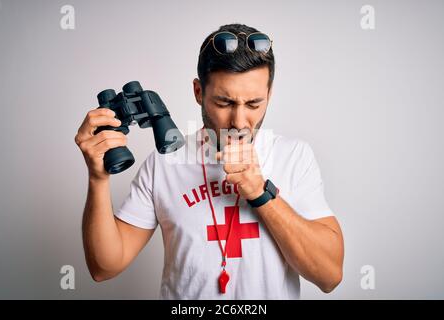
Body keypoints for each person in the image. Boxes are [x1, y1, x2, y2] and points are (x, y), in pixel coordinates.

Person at [74, 23, 344, 299]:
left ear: (269, 94)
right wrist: (97, 178)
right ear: (198, 92)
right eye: (225, 102)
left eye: (253, 104)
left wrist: (261, 194)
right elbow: (104, 267)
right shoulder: (165, 162)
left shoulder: (293, 156)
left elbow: (329, 276)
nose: (239, 122)